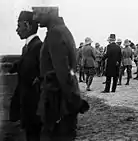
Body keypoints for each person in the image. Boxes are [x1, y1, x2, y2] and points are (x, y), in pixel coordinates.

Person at [32, 6, 89, 140]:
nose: (35, 17)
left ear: (49, 11)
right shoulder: (60, 31)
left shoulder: (56, 33)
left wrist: (74, 101)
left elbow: (63, 73)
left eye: (37, 12)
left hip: (57, 103)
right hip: (59, 101)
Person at [3, 11, 42, 141]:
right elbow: (24, 65)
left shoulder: (38, 47)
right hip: (28, 107)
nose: (17, 30)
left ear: (27, 25)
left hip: (34, 107)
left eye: (19, 26)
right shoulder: (28, 47)